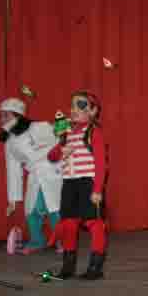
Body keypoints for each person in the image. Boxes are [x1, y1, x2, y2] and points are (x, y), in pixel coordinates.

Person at [47, 91, 108, 280]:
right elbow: (51, 156)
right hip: (70, 183)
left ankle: (95, 267)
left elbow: (101, 162)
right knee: (68, 223)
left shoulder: (93, 132)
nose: (74, 109)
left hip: (87, 181)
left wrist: (97, 189)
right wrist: (61, 151)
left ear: (93, 111)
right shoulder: (66, 133)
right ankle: (68, 266)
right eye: (72, 105)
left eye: (80, 105)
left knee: (94, 223)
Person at [0, 97, 62, 254]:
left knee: (54, 208)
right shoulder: (9, 143)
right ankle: (37, 241)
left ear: (18, 115)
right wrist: (13, 199)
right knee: (31, 210)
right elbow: (13, 170)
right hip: (35, 176)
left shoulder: (39, 127)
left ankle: (63, 241)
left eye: (6, 115)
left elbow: (61, 139)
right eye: (1, 115)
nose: (2, 119)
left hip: (53, 172)